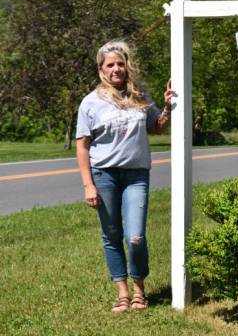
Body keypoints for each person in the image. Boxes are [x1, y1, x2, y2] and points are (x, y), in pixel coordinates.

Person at [76, 40, 173, 312]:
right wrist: (88, 186)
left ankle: (139, 289)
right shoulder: (91, 103)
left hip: (136, 175)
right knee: (111, 234)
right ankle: (122, 292)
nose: (116, 69)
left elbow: (157, 128)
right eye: (110, 65)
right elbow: (82, 146)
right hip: (103, 174)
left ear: (127, 66)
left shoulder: (140, 94)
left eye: (120, 63)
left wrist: (166, 108)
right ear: (101, 70)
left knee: (135, 236)